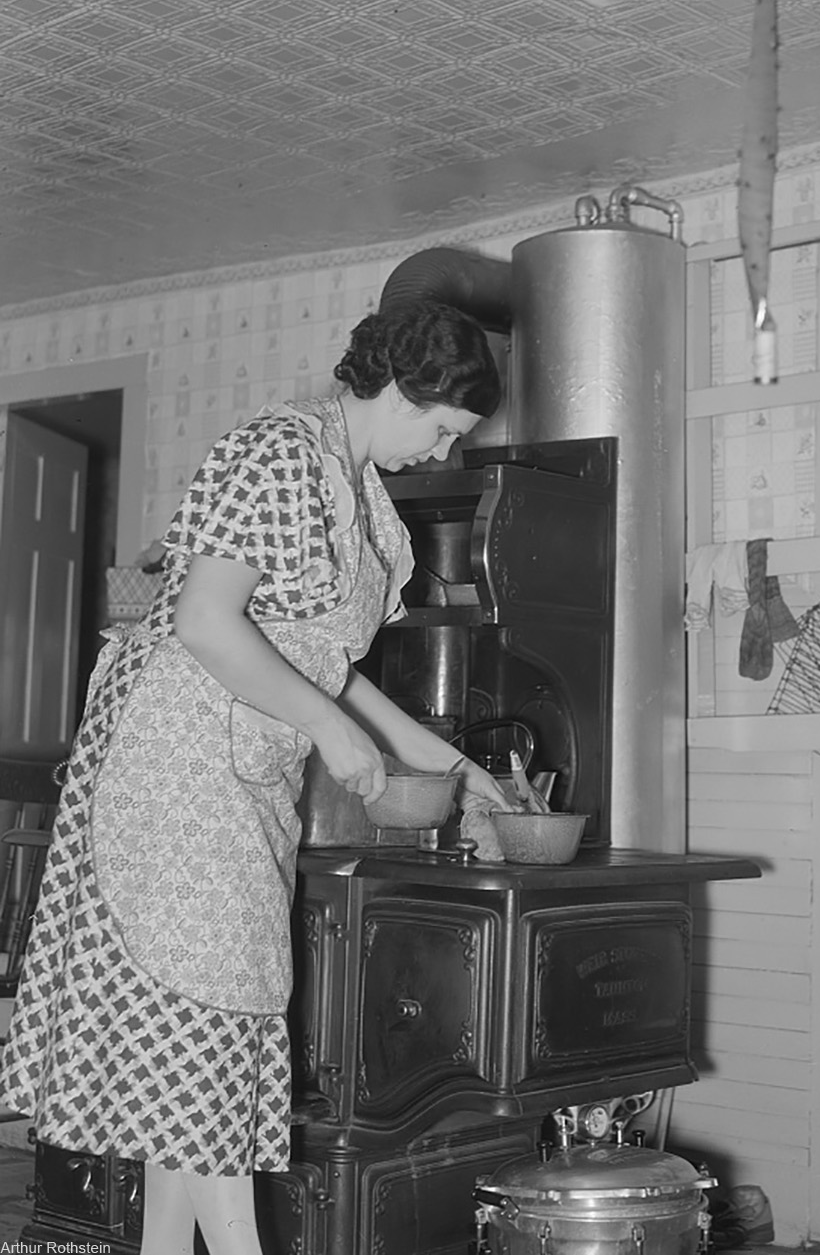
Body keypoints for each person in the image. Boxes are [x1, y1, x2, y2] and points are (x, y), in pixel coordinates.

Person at [0, 300, 510, 1255]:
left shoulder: (360, 495)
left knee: (199, 1049)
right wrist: (328, 728)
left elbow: (332, 667)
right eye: (441, 428)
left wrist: (461, 769)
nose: (440, 452)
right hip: (176, 770)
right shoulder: (274, 451)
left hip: (242, 780)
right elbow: (204, 620)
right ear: (402, 391)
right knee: (206, 1035)